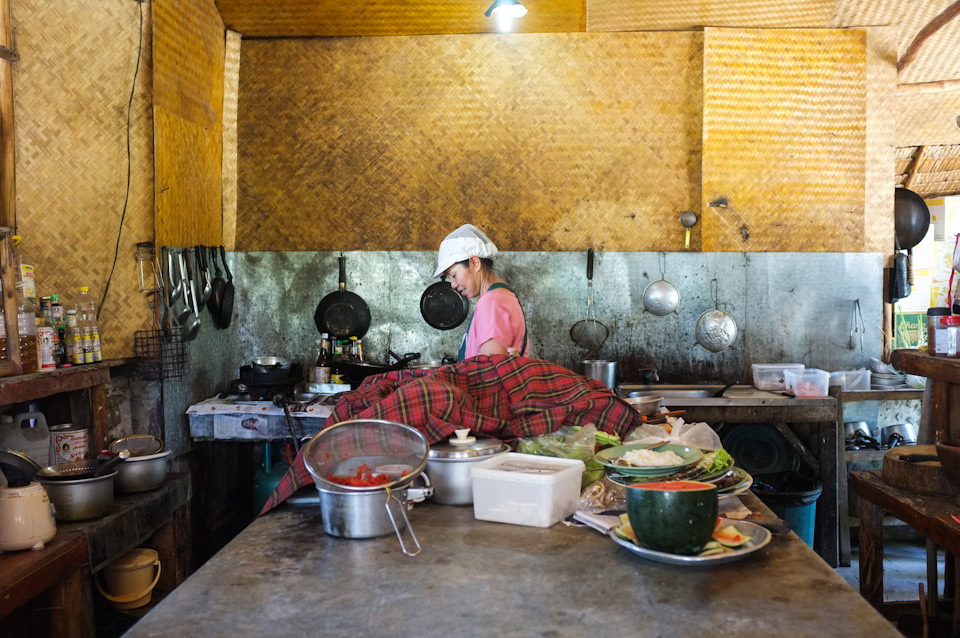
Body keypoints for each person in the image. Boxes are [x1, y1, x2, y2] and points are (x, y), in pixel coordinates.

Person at [433, 224, 528, 361]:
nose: (453, 285)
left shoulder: (492, 302)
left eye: (454, 275)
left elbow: (490, 371)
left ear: (475, 263)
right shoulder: (502, 296)